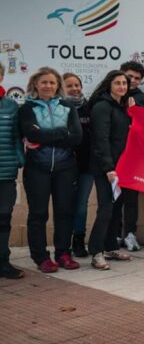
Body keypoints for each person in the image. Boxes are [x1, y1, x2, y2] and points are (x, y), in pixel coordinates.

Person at [19, 67, 83, 272]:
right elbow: (31, 133)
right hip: (37, 168)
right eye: (44, 82)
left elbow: (76, 137)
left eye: (52, 82)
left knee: (64, 212)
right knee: (38, 214)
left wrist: (44, 135)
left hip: (65, 168)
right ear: (35, 84)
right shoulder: (27, 108)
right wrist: (60, 133)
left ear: (58, 86)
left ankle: (63, 253)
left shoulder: (68, 106)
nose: (48, 86)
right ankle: (41, 257)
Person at [86, 71, 133, 270]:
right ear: (109, 85)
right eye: (117, 83)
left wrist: (133, 112)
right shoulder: (102, 107)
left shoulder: (122, 108)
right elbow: (101, 140)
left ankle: (110, 247)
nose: (122, 86)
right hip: (107, 168)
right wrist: (108, 168)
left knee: (115, 210)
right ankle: (96, 252)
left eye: (124, 83)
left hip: (122, 167)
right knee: (106, 209)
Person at [118, 60, 144, 252]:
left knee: (131, 197)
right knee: (113, 198)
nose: (133, 81)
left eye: (137, 78)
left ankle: (130, 233)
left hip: (136, 155)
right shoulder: (110, 96)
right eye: (130, 77)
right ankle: (113, 234)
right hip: (115, 154)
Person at [63, 73, 93, 259]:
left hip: (87, 164)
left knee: (81, 205)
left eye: (77, 85)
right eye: (70, 86)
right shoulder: (59, 107)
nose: (75, 88)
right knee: (65, 205)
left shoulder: (89, 107)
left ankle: (79, 240)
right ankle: (63, 243)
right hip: (64, 165)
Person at [0, 63, 25, 279]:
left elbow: (17, 137)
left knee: (3, 218)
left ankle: (3, 262)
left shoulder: (10, 105)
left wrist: (19, 157)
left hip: (6, 172)